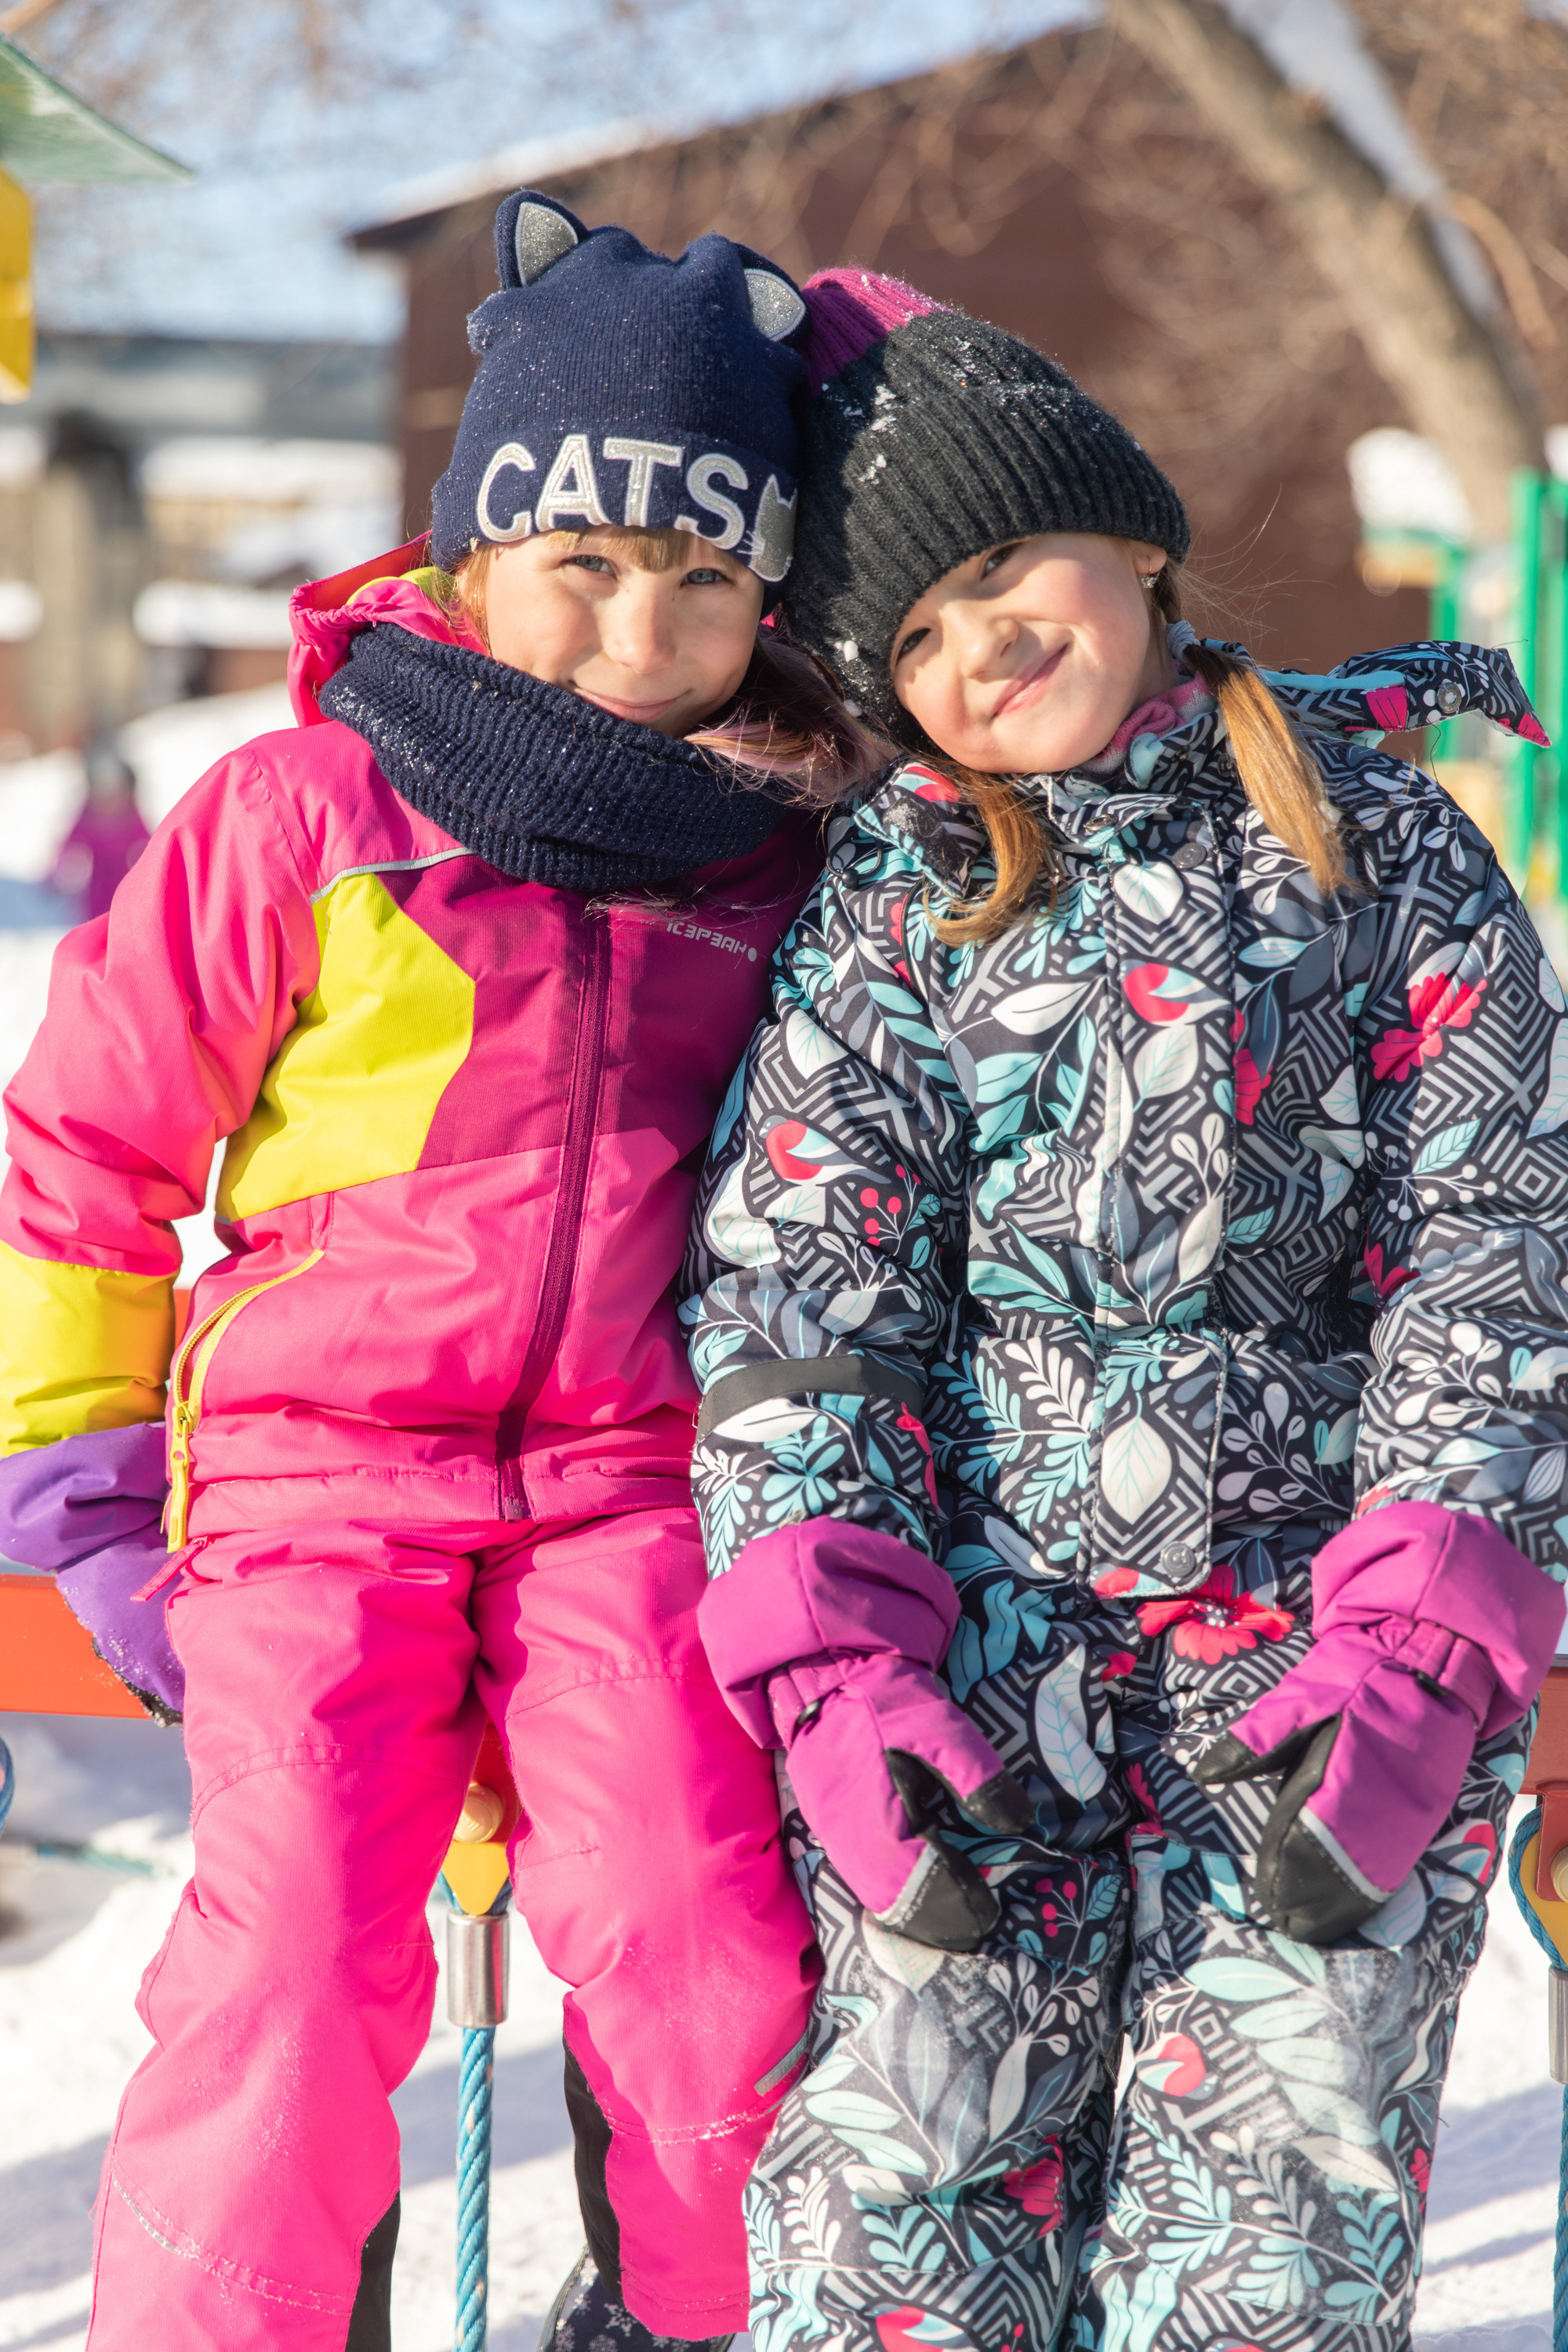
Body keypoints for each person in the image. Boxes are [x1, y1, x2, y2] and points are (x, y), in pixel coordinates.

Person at [0, 193, 885, 2352]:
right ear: (475, 554)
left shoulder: (783, 862)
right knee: (293, 1947)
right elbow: (80, 1157)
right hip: (314, 1492)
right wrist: (82, 1489)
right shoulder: (310, 814)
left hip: (628, 1496)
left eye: (697, 579)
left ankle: (690, 2320)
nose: (632, 631)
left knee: (701, 1928)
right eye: (580, 564)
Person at [681, 267, 1568, 2352]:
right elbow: (812, 1295)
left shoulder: (1388, 857)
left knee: (1282, 2207)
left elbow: (1498, 1250)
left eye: (1005, 566)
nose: (983, 642)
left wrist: (1425, 1653)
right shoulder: (899, 907)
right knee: (910, 2173)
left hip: (1323, 1692)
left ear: (1137, 540)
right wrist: (835, 1667)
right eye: (912, 633)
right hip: (975, 1683)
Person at [51, 742, 151, 924]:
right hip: (96, 891)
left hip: (123, 887)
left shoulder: (131, 815)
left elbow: (151, 845)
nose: (109, 799)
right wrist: (54, 877)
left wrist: (153, 875)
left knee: (122, 924)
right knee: (96, 928)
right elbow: (69, 842)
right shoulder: (88, 815)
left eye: (115, 790)